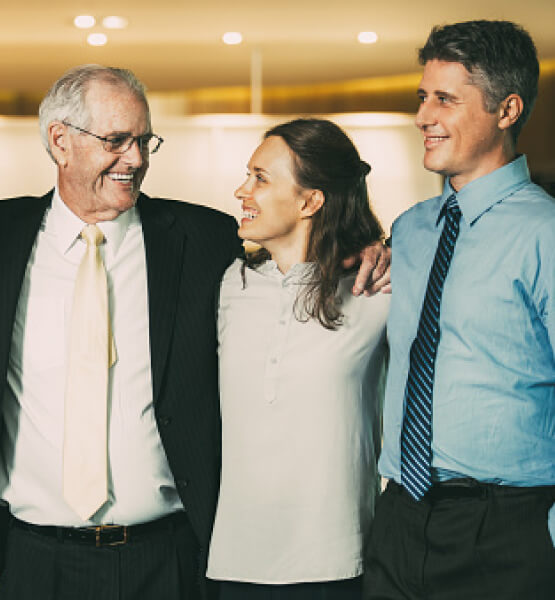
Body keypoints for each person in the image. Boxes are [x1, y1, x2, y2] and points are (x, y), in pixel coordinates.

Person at [0, 66, 390, 599]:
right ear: (60, 142)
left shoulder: (205, 241)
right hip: (27, 561)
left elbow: (296, 259)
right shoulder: (5, 238)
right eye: (116, 141)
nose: (135, 160)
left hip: (171, 560)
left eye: (143, 141)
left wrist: (371, 248)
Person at [365, 20, 555, 600]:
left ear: (507, 110)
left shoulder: (545, 234)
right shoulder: (411, 229)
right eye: (423, 97)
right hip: (399, 515)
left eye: (445, 99)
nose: (424, 116)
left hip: (508, 529)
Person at [206, 118, 390, 600]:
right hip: (233, 561)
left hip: (336, 563)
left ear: (311, 201)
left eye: (261, 179)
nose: (241, 191)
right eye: (248, 175)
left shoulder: (379, 289)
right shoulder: (228, 283)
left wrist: (388, 252)